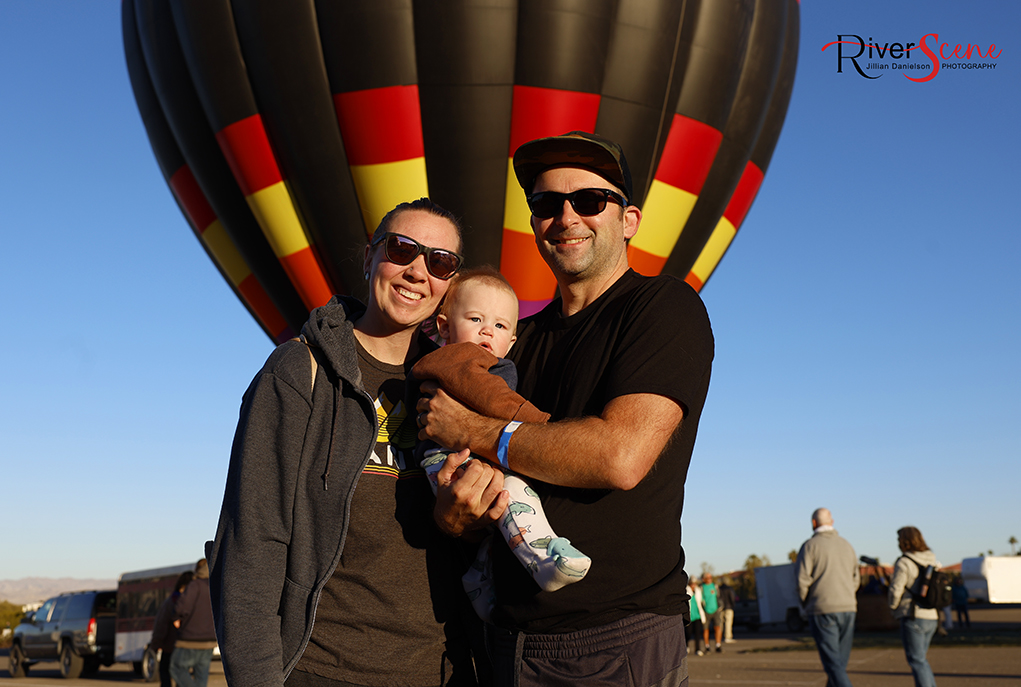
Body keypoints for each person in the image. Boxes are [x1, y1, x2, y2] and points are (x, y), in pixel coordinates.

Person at [417, 131, 715, 687]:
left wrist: (478, 429)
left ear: (628, 219)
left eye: (590, 201)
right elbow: (454, 459)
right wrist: (455, 520)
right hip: (504, 639)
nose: (566, 216)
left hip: (616, 637)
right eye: (547, 205)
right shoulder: (509, 340)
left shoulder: (663, 308)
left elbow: (619, 456)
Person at [207, 199, 485, 687]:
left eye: (440, 262)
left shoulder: (461, 388)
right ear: (368, 258)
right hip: (324, 669)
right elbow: (253, 541)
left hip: (443, 671)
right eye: (402, 250)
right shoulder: (300, 372)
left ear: (450, 285)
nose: (418, 271)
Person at [410, 266, 591, 621]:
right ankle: (544, 559)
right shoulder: (461, 361)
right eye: (475, 318)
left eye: (500, 325)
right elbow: (496, 402)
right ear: (444, 327)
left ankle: (479, 579)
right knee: (513, 492)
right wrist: (546, 431)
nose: (486, 331)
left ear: (512, 341)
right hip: (447, 461)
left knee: (494, 522)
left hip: (457, 461)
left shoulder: (489, 361)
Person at [795, 507, 860, 687]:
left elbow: (802, 581)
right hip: (848, 607)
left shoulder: (810, 546)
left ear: (814, 523)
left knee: (833, 664)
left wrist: (806, 603)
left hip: (823, 608)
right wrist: (846, 594)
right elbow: (856, 578)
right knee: (839, 663)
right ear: (832, 522)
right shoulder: (846, 545)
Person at [889, 526, 940, 687]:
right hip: (931, 616)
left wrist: (893, 607)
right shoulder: (933, 560)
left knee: (917, 661)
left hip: (913, 614)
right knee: (921, 660)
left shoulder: (904, 562)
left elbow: (896, 588)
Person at [171, 560, 217, 687]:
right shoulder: (216, 585)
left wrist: (176, 618)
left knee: (176, 668)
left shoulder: (195, 585)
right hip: (210, 639)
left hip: (190, 638)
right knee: (201, 676)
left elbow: (182, 606)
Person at [150, 570, 193, 687]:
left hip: (171, 646)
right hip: (189, 645)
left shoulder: (172, 601)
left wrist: (155, 644)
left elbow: (161, 625)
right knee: (183, 674)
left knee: (166, 671)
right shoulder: (194, 602)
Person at [701, 573, 724, 653]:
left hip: (716, 610)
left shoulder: (715, 586)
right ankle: (707, 646)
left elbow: (719, 597)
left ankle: (718, 645)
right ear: (704, 579)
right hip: (705, 611)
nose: (710, 579)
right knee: (705, 629)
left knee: (717, 627)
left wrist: (720, 607)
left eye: (711, 577)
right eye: (708, 577)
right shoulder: (701, 588)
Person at [686, 578, 706, 657]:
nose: (694, 585)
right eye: (692, 583)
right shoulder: (686, 590)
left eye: (695, 583)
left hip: (697, 615)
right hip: (690, 615)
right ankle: (686, 645)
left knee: (698, 633)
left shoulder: (698, 590)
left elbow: (700, 601)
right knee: (688, 633)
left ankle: (697, 649)